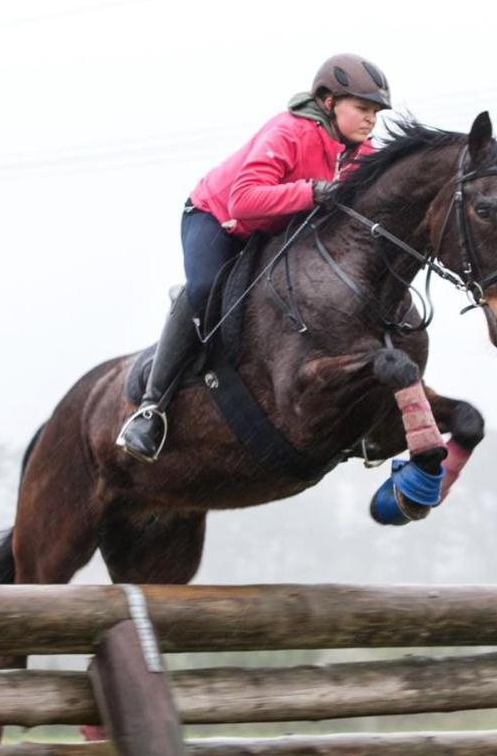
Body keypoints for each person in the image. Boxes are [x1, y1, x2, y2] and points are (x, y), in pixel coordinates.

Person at [116, 53, 392, 463]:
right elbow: (243, 201)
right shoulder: (289, 131)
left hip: (274, 230)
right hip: (217, 216)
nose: (371, 120)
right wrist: (313, 191)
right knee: (207, 288)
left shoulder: (364, 157)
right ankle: (151, 408)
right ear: (329, 102)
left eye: (376, 112)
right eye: (363, 108)